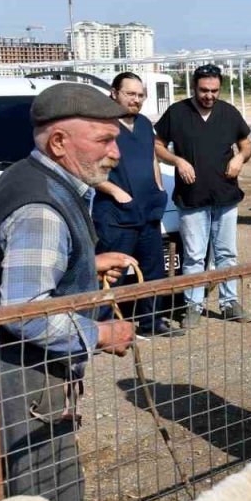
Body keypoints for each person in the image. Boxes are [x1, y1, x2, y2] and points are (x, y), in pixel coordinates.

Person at [0, 84, 138, 501]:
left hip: (3, 356)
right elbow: (27, 313)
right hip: (8, 364)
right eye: (104, 140)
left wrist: (85, 265)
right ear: (59, 143)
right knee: (43, 499)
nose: (116, 154)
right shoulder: (41, 206)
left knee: (39, 481)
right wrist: (103, 334)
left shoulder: (34, 177)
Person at [154, 64, 251, 327]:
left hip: (226, 195)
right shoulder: (177, 112)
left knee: (226, 253)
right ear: (194, 87)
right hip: (192, 198)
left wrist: (240, 159)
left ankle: (229, 302)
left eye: (214, 90)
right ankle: (193, 306)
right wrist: (178, 161)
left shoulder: (229, 113)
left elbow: (246, 144)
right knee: (195, 255)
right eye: (204, 90)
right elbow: (158, 146)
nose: (209, 95)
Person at [90, 72, 177, 338]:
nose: (135, 100)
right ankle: (101, 328)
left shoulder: (143, 125)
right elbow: (89, 169)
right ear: (114, 93)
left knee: (153, 271)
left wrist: (159, 187)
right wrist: (115, 191)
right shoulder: (101, 127)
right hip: (116, 215)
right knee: (111, 274)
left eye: (140, 95)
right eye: (130, 94)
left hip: (148, 211)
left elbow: (152, 158)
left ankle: (151, 322)